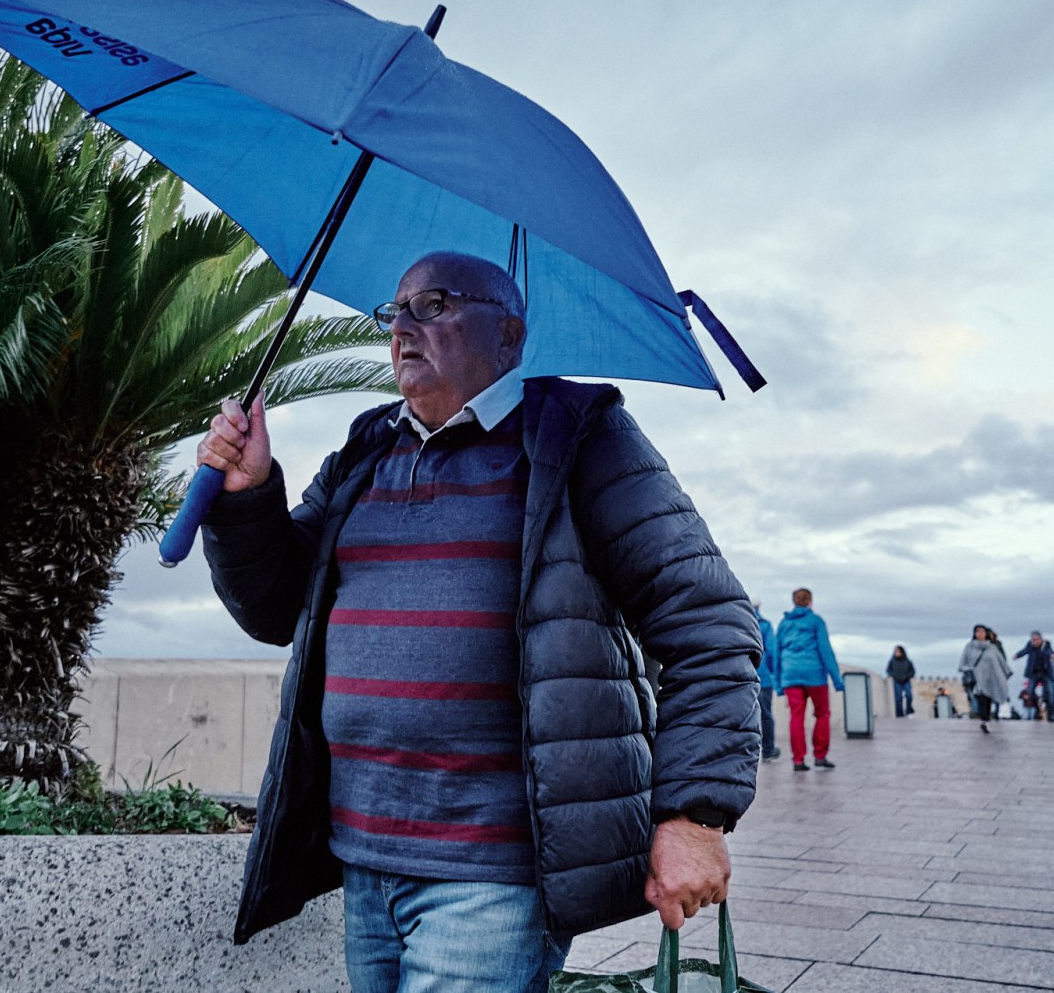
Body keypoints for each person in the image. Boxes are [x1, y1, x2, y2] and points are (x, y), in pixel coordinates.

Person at [197, 251, 760, 991]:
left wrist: (694, 816)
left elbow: (708, 623)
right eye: (392, 312)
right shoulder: (367, 450)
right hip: (364, 859)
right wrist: (247, 495)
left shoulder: (579, 438)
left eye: (433, 305)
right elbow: (276, 611)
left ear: (510, 335)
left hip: (494, 874)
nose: (401, 327)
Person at [774, 588, 844, 771]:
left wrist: (778, 683)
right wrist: (837, 680)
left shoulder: (783, 624)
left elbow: (776, 653)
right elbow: (825, 651)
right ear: (810, 601)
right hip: (815, 675)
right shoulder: (816, 621)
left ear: (794, 602)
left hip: (790, 675)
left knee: (796, 716)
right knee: (822, 713)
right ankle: (820, 756)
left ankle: (798, 760)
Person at [957, 626, 1012, 734]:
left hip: (991, 679)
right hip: (977, 679)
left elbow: (1000, 661)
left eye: (982, 631)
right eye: (977, 631)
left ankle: (986, 720)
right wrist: (969, 669)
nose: (980, 634)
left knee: (988, 699)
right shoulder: (969, 647)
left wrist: (1005, 672)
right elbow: (963, 662)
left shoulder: (992, 648)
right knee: (981, 699)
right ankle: (983, 720)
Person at [755, 603, 782, 761]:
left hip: (742, 676)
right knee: (766, 715)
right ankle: (768, 750)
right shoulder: (764, 625)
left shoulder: (737, 620)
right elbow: (771, 652)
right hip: (763, 677)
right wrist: (771, 672)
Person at [1013, 632, 1054, 722]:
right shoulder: (1030, 646)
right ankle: (1037, 709)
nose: (1035, 642)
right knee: (1029, 692)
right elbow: (1024, 651)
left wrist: (1051, 655)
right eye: (1033, 640)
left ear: (1041, 639)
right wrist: (1017, 655)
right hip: (1033, 673)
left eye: (1037, 640)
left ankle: (1051, 714)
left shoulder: (1047, 645)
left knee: (1050, 692)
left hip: (1046, 673)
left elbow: (1050, 652)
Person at [886, 645, 916, 717]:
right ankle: (900, 714)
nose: (897, 653)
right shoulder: (892, 661)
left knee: (909, 696)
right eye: (896, 651)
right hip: (897, 681)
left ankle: (909, 710)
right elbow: (888, 670)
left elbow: (912, 671)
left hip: (906, 681)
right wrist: (894, 675)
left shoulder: (908, 661)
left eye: (898, 651)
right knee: (898, 698)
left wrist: (908, 676)